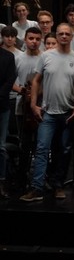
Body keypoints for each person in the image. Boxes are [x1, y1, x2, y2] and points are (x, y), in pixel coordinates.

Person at [20, 23, 74, 202]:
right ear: (56, 36)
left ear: (72, 37)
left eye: (67, 34)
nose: (64, 36)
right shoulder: (46, 56)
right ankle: (37, 188)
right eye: (60, 34)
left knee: (63, 151)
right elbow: (36, 81)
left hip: (68, 113)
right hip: (47, 113)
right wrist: (33, 104)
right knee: (41, 149)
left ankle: (58, 186)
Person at [11, 27, 43, 189]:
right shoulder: (17, 58)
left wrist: (37, 92)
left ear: (41, 40)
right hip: (21, 107)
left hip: (40, 107)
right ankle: (22, 179)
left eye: (37, 39)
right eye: (31, 38)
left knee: (40, 145)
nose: (34, 41)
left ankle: (38, 180)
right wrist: (22, 90)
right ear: (25, 39)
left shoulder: (45, 57)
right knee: (24, 144)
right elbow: (10, 81)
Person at [0, 44, 14, 197]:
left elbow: (10, 80)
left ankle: (1, 181)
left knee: (1, 147)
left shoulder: (8, 56)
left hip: (1, 106)